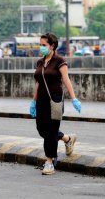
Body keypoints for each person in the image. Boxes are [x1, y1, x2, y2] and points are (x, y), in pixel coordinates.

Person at [29, 33, 82, 175]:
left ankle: (50, 162)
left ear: (52, 46)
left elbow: (66, 80)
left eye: (44, 45)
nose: (41, 47)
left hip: (55, 100)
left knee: (51, 131)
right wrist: (33, 101)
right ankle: (67, 138)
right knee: (42, 129)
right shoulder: (40, 62)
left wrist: (74, 98)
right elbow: (38, 83)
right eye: (40, 45)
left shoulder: (59, 61)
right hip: (41, 101)